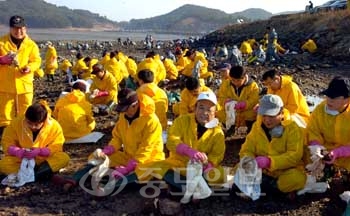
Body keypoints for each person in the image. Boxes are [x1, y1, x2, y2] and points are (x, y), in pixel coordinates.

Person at [54, 88, 165, 191]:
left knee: (143, 171)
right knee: (97, 158)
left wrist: (129, 167)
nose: (124, 112)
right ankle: (74, 179)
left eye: (126, 109)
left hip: (148, 159)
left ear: (135, 105)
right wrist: (108, 150)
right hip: (128, 156)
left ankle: (107, 188)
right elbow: (117, 137)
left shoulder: (151, 121)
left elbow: (147, 148)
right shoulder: (124, 116)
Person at [137, 91, 226, 190]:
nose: (205, 113)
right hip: (179, 164)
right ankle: (192, 187)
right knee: (158, 166)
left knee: (220, 175)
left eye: (209, 110)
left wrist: (208, 164)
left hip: (200, 168)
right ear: (195, 108)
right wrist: (188, 150)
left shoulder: (217, 132)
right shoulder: (182, 121)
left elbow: (217, 154)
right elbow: (171, 141)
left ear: (215, 113)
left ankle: (179, 185)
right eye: (201, 108)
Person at [238, 94, 306, 197]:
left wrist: (270, 162)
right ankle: (273, 190)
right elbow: (246, 149)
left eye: (271, 116)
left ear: (281, 112)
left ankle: (266, 187)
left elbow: (294, 156)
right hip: (261, 170)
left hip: (284, 171)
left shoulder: (293, 129)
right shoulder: (257, 127)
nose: (267, 120)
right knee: (239, 167)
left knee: (297, 178)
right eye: (264, 115)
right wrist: (249, 161)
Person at [0, 102, 70, 182]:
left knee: (64, 158)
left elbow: (57, 146)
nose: (33, 127)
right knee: (3, 164)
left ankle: (33, 175)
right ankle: (42, 174)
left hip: (43, 159)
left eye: (36, 125)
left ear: (44, 122)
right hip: (22, 159)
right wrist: (18, 151)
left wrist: (41, 151)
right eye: (29, 123)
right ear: (25, 117)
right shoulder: (16, 123)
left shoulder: (54, 126)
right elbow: (6, 142)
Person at [0, 15, 41, 132]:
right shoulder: (1, 43)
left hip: (25, 85)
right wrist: (1, 60)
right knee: (4, 115)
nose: (18, 31)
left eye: (21, 28)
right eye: (15, 28)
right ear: (10, 28)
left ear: (25, 28)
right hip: (5, 86)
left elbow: (36, 61)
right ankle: (5, 141)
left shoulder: (31, 44)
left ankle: (24, 137)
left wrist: (29, 67)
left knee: (26, 112)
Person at [306, 76, 350, 171]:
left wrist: (338, 152)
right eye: (328, 95)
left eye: (334, 97)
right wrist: (316, 146)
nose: (329, 100)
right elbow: (313, 130)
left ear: (346, 100)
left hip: (347, 155)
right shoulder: (320, 109)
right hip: (325, 151)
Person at [217, 65, 260, 132]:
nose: (236, 83)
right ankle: (230, 129)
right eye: (233, 80)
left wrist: (245, 104)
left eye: (238, 80)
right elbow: (221, 97)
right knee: (220, 114)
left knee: (254, 115)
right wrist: (226, 102)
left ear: (245, 77)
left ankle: (250, 130)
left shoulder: (253, 86)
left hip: (246, 111)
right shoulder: (226, 83)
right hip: (231, 111)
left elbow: (254, 100)